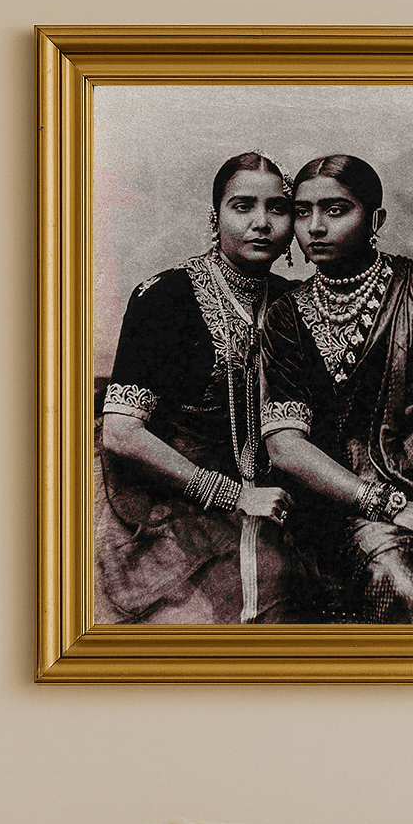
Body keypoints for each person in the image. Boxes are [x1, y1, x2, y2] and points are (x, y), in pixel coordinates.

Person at [260, 154, 413, 624]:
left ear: (375, 219)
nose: (314, 227)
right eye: (303, 211)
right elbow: (286, 446)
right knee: (394, 579)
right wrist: (393, 506)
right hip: (354, 515)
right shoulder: (287, 315)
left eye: (335, 210)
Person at [97, 152, 307, 624]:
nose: (262, 223)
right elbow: (121, 432)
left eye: (277, 208)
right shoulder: (165, 297)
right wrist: (234, 495)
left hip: (272, 503)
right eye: (243, 207)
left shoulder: (294, 302)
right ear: (216, 218)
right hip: (164, 511)